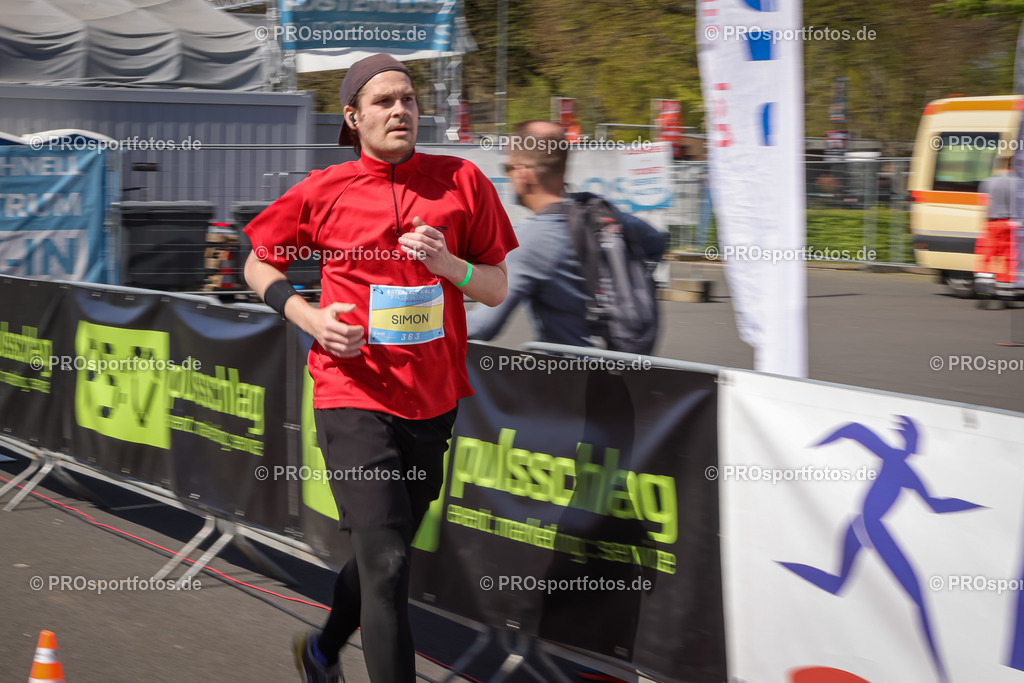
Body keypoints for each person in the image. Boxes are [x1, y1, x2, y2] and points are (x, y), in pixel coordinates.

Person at [242, 54, 517, 683]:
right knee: (389, 568)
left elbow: (497, 287)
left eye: (409, 99)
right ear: (353, 117)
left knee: (383, 559)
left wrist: (451, 265)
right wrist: (309, 319)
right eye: (384, 101)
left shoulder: (462, 181)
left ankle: (320, 651)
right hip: (353, 393)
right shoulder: (323, 189)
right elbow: (258, 263)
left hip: (434, 399)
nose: (400, 110)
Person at [465, 120, 666, 347]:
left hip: (569, 378)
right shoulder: (602, 214)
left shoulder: (531, 239)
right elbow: (657, 242)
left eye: (508, 168)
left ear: (522, 173)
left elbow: (482, 325)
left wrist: (423, 324)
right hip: (630, 369)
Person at [975, 154, 1018, 303]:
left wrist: (985, 226)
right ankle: (1005, 296)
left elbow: (985, 206)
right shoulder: (1019, 183)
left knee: (988, 258)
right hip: (1012, 226)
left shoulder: (988, 182)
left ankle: (984, 293)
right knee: (1007, 259)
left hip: (992, 225)